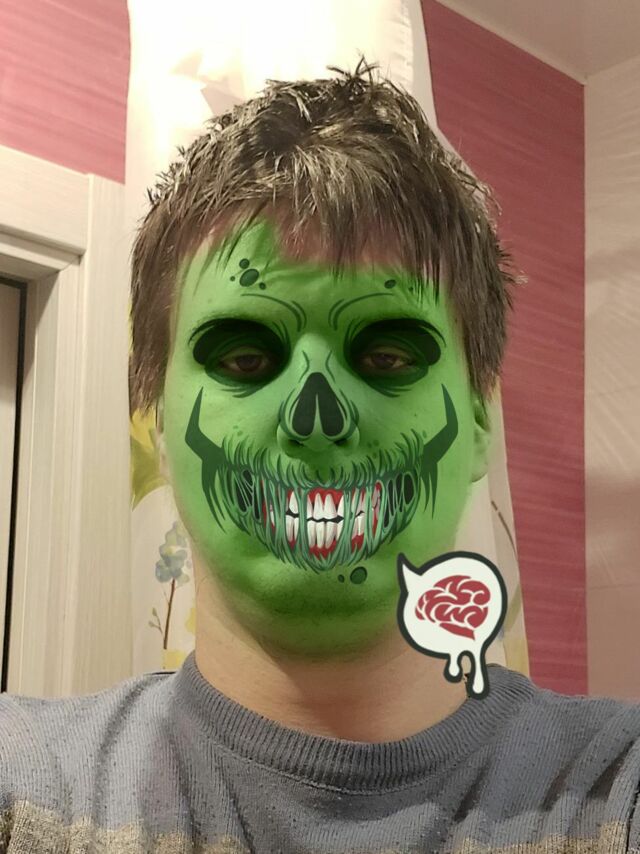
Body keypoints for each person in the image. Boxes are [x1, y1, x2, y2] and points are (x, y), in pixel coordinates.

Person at [2, 58, 640, 854]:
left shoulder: (611, 793)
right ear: (158, 425)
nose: (317, 417)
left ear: (479, 420)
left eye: (386, 355)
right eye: (245, 358)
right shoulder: (29, 786)